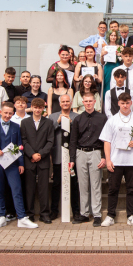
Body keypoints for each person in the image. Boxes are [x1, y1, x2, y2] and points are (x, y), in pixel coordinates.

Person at [0, 101, 35, 228]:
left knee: (17, 189)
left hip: (12, 163)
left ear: (13, 113)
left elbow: (19, 146)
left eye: (10, 113)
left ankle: (21, 217)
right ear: (0, 112)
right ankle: (1, 216)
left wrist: (21, 163)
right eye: (5, 113)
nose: (7, 115)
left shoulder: (16, 127)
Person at [99, 92, 133, 227]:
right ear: (118, 103)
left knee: (132, 189)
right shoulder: (112, 120)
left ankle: (131, 216)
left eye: (127, 103)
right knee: (113, 189)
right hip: (116, 160)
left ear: (131, 103)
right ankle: (110, 215)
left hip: (132, 161)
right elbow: (107, 141)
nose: (125, 106)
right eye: (122, 103)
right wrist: (108, 160)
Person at [71, 92, 107, 227]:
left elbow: (106, 139)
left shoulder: (102, 118)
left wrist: (104, 156)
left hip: (96, 152)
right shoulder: (77, 119)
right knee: (83, 185)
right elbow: (73, 140)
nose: (88, 103)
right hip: (80, 153)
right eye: (86, 101)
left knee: (96, 184)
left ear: (94, 102)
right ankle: (84, 214)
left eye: (90, 101)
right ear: (82, 102)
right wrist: (72, 159)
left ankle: (97, 214)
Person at [20, 98, 54, 223]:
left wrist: (40, 154)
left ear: (43, 109)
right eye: (35, 107)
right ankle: (29, 213)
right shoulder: (25, 122)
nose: (38, 110)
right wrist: (32, 154)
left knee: (43, 188)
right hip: (29, 159)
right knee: (29, 188)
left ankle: (44, 214)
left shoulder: (48, 122)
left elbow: (50, 141)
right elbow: (24, 140)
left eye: (40, 108)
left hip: (43, 160)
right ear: (32, 108)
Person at [49, 94, 81, 222]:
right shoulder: (52, 117)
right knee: (56, 184)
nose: (65, 103)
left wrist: (71, 124)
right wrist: (58, 122)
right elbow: (47, 133)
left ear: (71, 102)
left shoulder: (77, 117)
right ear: (59, 103)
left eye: (68, 101)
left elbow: (80, 134)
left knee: (73, 185)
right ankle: (54, 211)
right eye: (63, 101)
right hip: (58, 156)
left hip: (72, 158)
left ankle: (76, 211)